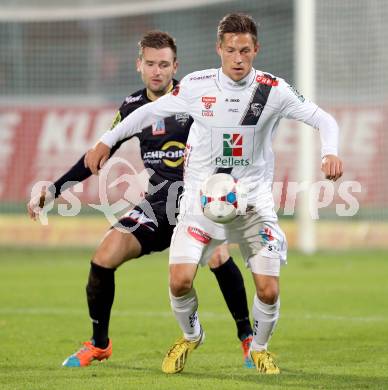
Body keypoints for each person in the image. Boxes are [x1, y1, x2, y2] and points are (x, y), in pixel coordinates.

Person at [84, 13, 344, 375]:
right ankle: (191, 337)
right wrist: (106, 140)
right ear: (219, 49)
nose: (239, 59)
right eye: (232, 50)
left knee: (268, 291)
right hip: (200, 202)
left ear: (257, 50)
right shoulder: (196, 86)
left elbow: (324, 120)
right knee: (179, 281)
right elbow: (149, 112)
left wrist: (329, 151)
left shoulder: (274, 90)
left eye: (246, 51)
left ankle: (260, 348)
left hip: (253, 204)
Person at [27, 31, 254, 368]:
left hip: (196, 202)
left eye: (164, 64)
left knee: (219, 255)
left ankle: (248, 340)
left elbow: (231, 145)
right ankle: (99, 344)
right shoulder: (133, 107)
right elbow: (96, 156)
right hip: (157, 205)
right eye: (150, 64)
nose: (157, 71)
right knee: (104, 256)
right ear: (140, 66)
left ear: (175, 65)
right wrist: (54, 190)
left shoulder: (195, 99)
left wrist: (230, 188)